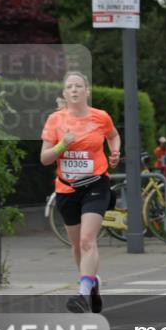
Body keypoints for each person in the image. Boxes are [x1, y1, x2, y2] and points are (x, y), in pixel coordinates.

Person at [40, 71, 121, 314]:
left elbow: (113, 135)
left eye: (78, 86)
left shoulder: (100, 117)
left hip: (96, 184)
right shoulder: (55, 120)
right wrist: (62, 145)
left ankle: (83, 293)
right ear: (64, 94)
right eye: (69, 87)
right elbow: (45, 158)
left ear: (87, 91)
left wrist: (115, 151)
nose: (74, 90)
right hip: (67, 188)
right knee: (77, 246)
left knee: (87, 240)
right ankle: (92, 284)